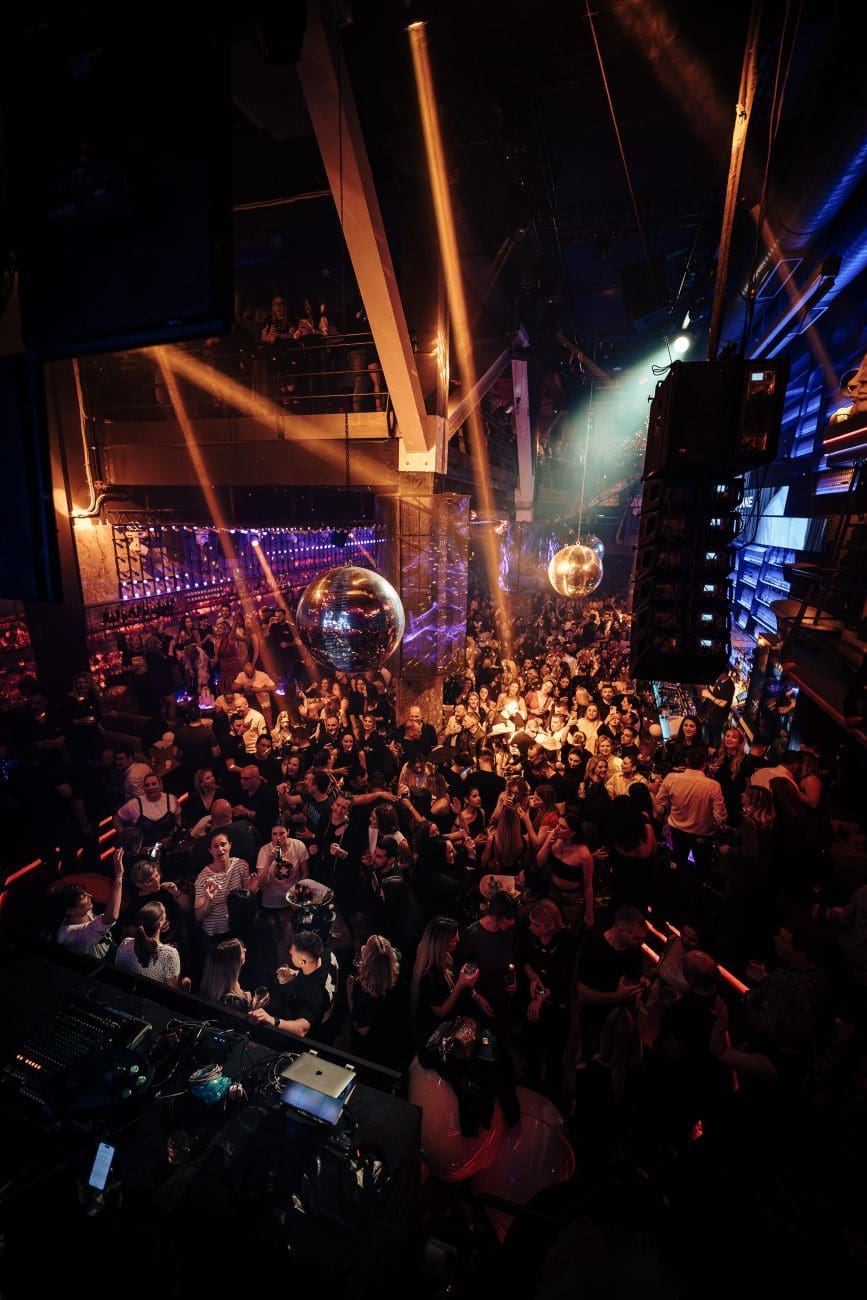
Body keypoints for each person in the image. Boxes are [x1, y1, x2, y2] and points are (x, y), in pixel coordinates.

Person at [573, 905, 649, 1064]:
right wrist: (616, 997)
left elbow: (636, 973)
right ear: (621, 929)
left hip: (621, 1022)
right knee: (593, 1064)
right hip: (595, 1022)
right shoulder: (593, 948)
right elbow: (582, 994)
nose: (642, 943)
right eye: (637, 938)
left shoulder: (633, 948)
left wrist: (641, 981)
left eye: (643, 938)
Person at [410, 915, 483, 1051]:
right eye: (454, 939)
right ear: (442, 942)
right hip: (435, 1038)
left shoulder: (445, 956)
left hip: (448, 1026)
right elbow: (440, 1012)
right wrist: (460, 985)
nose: (458, 940)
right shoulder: (428, 974)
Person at [249, 929, 339, 1037]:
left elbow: (302, 1029)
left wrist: (271, 1019)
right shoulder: (327, 954)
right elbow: (318, 974)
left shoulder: (314, 994)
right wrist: (295, 973)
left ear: (302, 962)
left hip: (316, 1033)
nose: (289, 952)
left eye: (292, 954)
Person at [655, 749, 726, 872]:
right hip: (702, 835)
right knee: (702, 868)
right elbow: (720, 817)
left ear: (687, 760)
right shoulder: (713, 785)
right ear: (704, 765)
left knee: (678, 865)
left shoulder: (672, 778)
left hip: (678, 831)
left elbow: (660, 801)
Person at [346, 934, 407, 1067]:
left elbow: (362, 1030)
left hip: (370, 1052)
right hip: (393, 1042)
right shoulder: (397, 978)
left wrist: (350, 998)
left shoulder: (363, 989)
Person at [54, 849, 125, 959]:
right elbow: (112, 916)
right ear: (70, 910)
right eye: (83, 897)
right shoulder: (70, 935)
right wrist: (119, 875)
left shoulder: (83, 912)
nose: (90, 896)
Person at [536, 811, 595, 929]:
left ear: (573, 833)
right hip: (553, 893)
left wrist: (589, 913)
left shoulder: (584, 854)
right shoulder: (554, 838)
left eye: (562, 827)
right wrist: (548, 845)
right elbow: (540, 862)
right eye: (557, 824)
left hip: (572, 901)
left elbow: (588, 886)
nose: (556, 829)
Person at [194, 829, 250, 941]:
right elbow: (198, 916)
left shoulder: (241, 865)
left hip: (238, 924)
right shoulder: (203, 877)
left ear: (230, 845)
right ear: (210, 851)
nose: (220, 849)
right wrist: (208, 900)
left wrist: (251, 890)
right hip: (215, 933)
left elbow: (246, 900)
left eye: (223, 844)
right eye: (215, 846)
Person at [114, 900, 185, 988]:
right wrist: (186, 984)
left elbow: (117, 972)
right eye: (165, 915)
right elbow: (174, 991)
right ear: (160, 923)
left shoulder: (125, 943)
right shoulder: (169, 954)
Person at [113, 771, 181, 850]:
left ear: (160, 785)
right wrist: (126, 838)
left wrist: (175, 835)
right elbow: (116, 820)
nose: (150, 787)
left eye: (154, 784)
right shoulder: (134, 804)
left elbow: (178, 817)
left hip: (169, 849)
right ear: (144, 788)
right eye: (147, 785)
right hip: (144, 852)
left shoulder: (171, 799)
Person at [200, 937, 253, 1012]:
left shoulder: (207, 991)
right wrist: (253, 1008)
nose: (245, 950)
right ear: (232, 965)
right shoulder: (233, 1002)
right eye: (241, 950)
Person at [699, 667, 735, 750]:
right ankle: (710, 748)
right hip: (712, 714)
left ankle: (718, 751)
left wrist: (709, 695)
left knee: (716, 736)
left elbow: (723, 704)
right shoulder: (720, 680)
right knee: (710, 734)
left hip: (719, 717)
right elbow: (716, 691)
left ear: (724, 674)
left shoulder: (729, 686)